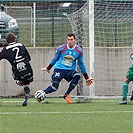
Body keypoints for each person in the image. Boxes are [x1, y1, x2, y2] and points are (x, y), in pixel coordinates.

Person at [37, 33, 94, 104]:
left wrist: (86, 77)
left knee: (77, 75)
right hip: (59, 69)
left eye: (71, 39)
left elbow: (81, 64)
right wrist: (48, 68)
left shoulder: (79, 51)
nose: (70, 41)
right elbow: (55, 59)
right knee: (54, 87)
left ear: (75, 40)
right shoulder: (61, 48)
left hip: (70, 71)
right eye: (68, 39)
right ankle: (42, 93)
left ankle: (66, 95)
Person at [0, 32, 33, 106]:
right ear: (15, 39)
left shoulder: (6, 49)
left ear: (6, 41)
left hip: (18, 71)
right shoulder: (21, 45)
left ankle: (19, 80)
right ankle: (27, 94)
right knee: (27, 84)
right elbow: (29, 58)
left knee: (14, 69)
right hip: (28, 68)